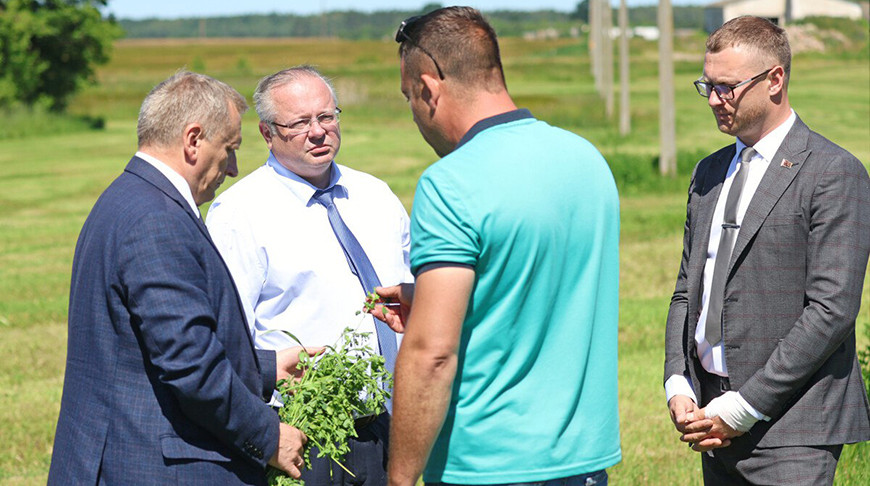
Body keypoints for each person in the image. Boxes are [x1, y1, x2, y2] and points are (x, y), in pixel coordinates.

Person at [375, 7, 621, 486]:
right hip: (584, 462)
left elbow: (432, 354)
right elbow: (540, 285)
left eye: (409, 97)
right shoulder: (586, 160)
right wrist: (428, 303)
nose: (413, 113)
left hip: (488, 465)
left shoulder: (450, 184)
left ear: (429, 87)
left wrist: (400, 478)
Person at [48, 71, 314, 485]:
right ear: (193, 140)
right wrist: (268, 436)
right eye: (229, 149)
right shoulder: (157, 219)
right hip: (152, 468)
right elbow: (191, 367)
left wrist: (265, 368)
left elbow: (145, 346)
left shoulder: (126, 197)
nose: (233, 168)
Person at [664, 15, 870, 485]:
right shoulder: (709, 173)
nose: (715, 100)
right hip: (710, 419)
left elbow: (832, 310)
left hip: (794, 430)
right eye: (707, 86)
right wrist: (678, 379)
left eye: (728, 87)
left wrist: (744, 405)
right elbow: (686, 290)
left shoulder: (833, 172)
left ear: (775, 79)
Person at [205, 65, 411, 485]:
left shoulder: (375, 195)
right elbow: (228, 337)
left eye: (327, 116)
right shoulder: (239, 214)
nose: (318, 132)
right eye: (299, 123)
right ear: (267, 133)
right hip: (303, 433)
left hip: (391, 425)